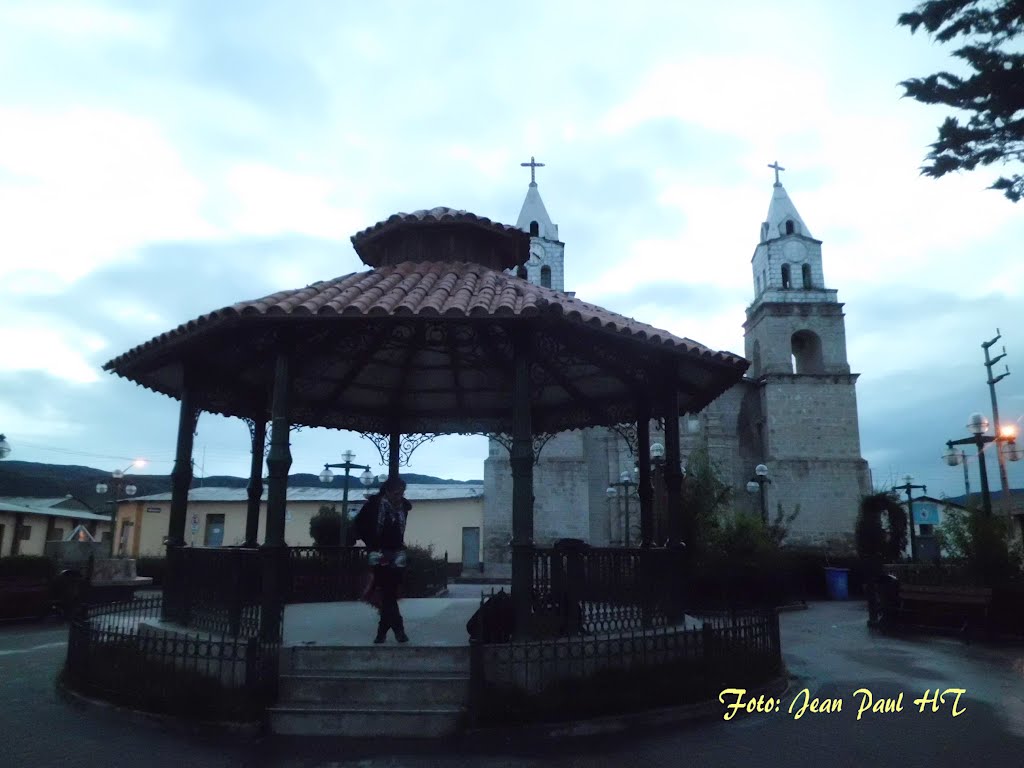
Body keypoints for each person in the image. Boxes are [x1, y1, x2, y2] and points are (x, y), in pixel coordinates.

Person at [350, 476, 412, 643]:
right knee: (388, 591)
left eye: (402, 493)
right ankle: (399, 630)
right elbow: (358, 525)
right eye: (397, 493)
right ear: (387, 491)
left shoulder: (403, 508)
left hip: (397, 554)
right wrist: (370, 543)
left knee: (388, 593)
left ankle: (382, 632)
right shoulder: (373, 506)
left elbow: (399, 531)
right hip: (379, 553)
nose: (400, 496)